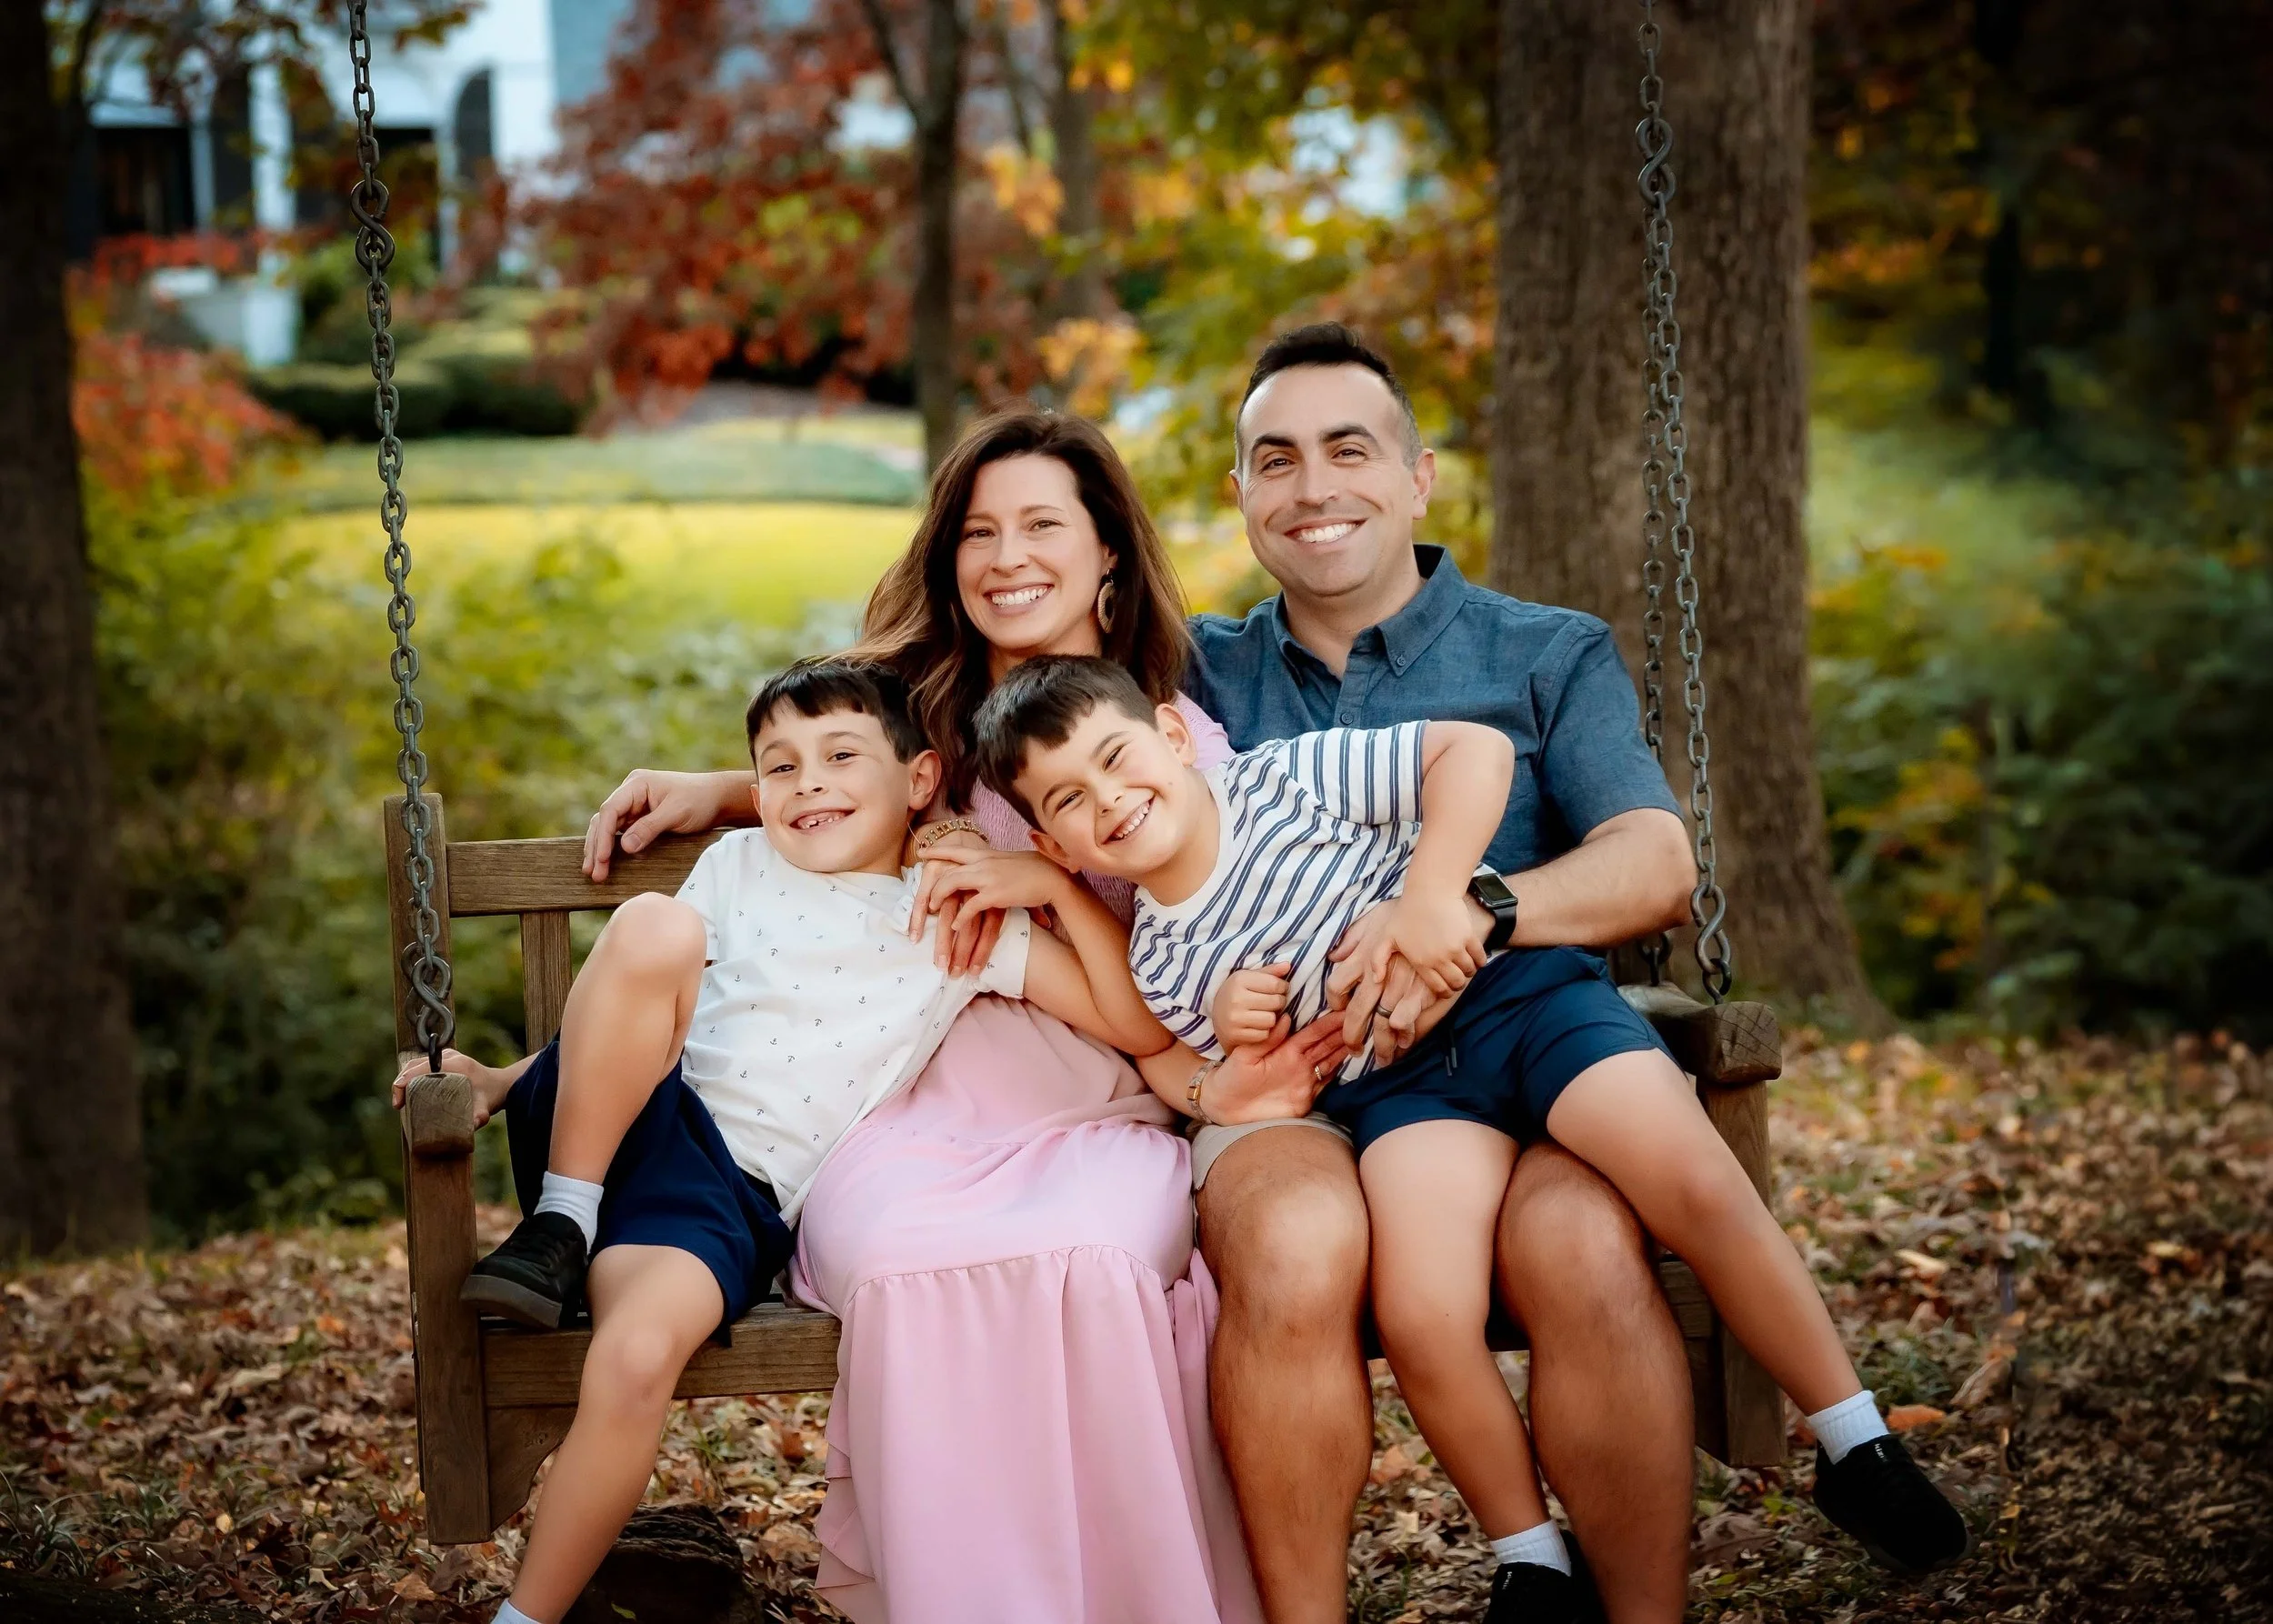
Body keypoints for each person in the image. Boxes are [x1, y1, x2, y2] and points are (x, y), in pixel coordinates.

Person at [975, 655, 1973, 1619]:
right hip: (1405, 1090)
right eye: (1064, 800)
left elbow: (1473, 752)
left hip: (1522, 999)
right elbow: (1224, 1064)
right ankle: (1529, 1556)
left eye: (1114, 757)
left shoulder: (1283, 778)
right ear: (1058, 847)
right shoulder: (1163, 953)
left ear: (1174, 732)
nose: (1106, 799)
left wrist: (1429, 896)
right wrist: (1237, 1029)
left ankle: (1853, 1438)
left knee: (1693, 1180)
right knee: (1421, 1310)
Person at [579, 412, 1326, 1623]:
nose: (1005, 554)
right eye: (978, 530)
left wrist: (1050, 889)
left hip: (1100, 1103)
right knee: (908, 1264)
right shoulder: (911, 712)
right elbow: (827, 784)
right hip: (904, 1109)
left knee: (1093, 1255)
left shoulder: (1164, 734)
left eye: (1041, 524)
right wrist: (717, 790)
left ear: (1108, 560)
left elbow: (1202, 957)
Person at [391, 658, 1176, 1624]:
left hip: (722, 1193)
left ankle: (524, 1618)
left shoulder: (956, 918)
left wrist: (1049, 882)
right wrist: (503, 1083)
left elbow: (1135, 1025)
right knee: (651, 927)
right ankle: (559, 1223)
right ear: (756, 793)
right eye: (779, 766)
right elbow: (633, 1011)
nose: (808, 782)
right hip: (613, 1127)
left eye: (841, 755)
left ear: (921, 780)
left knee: (635, 1357)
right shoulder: (735, 864)